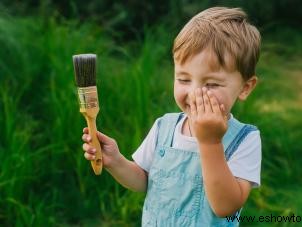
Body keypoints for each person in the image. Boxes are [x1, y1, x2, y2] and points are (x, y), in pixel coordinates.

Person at [82, 7, 261, 226]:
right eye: (184, 79)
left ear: (245, 87)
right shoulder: (164, 127)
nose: (194, 93)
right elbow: (145, 181)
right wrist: (116, 162)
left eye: (212, 84)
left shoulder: (244, 139)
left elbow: (225, 207)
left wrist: (211, 142)